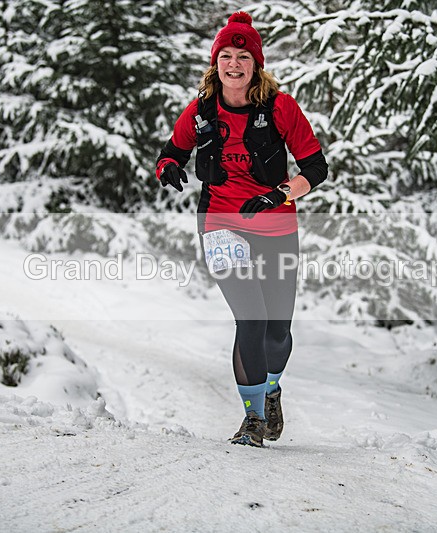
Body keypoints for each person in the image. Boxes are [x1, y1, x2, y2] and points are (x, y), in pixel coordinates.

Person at [155, 11, 328, 447]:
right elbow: (170, 151)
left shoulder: (281, 108)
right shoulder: (200, 111)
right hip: (219, 226)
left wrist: (280, 194)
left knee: (277, 330)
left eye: (242, 56)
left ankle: (271, 390)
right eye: (225, 56)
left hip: (274, 226)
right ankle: (252, 420)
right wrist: (168, 167)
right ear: (215, 63)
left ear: (256, 65)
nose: (233, 64)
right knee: (250, 320)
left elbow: (315, 168)